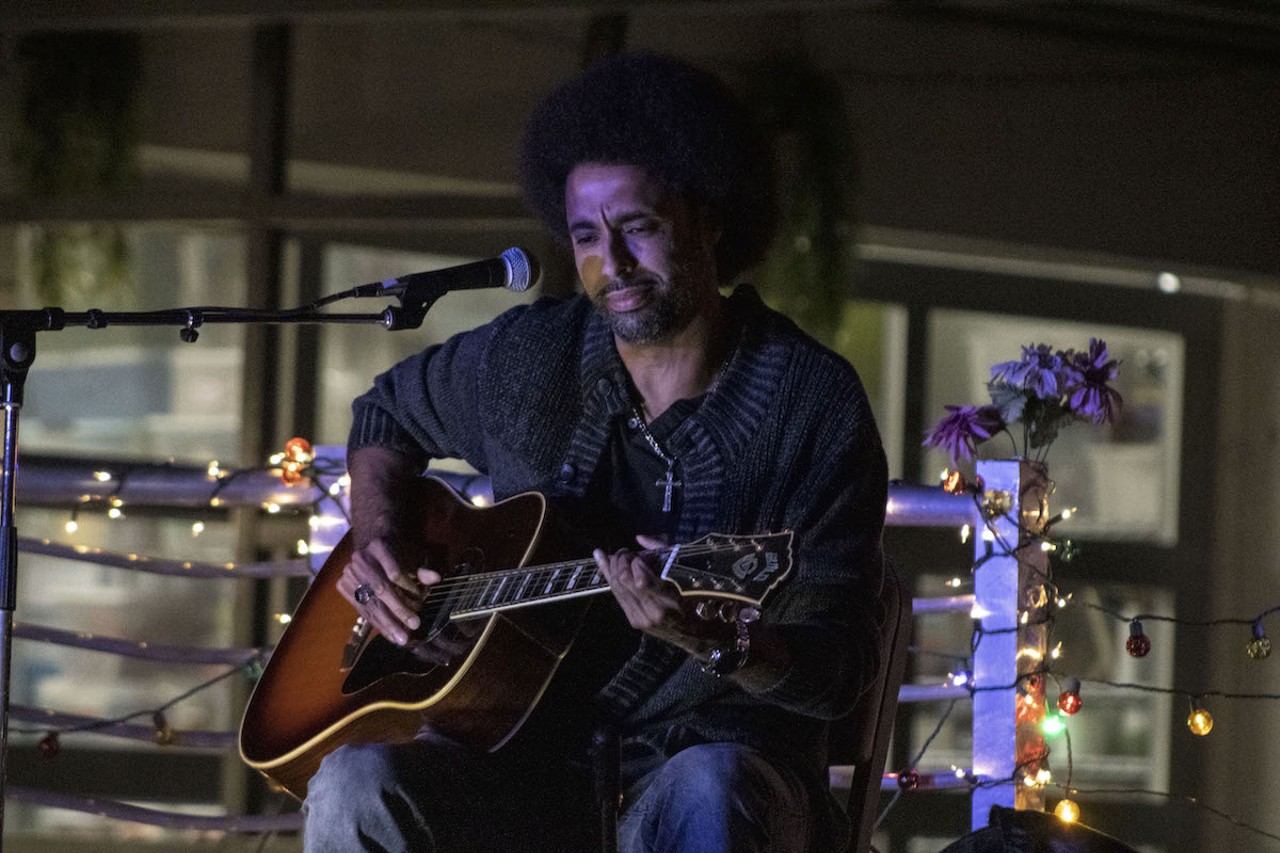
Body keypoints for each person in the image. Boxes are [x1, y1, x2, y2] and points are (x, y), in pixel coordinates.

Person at [302, 52, 888, 853]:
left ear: (709, 218)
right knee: (354, 785)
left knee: (710, 787)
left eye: (638, 227)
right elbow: (382, 418)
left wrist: (722, 641)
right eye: (585, 234)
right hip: (519, 766)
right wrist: (384, 546)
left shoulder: (810, 403)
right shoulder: (531, 359)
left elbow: (838, 666)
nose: (609, 263)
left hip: (710, 764)